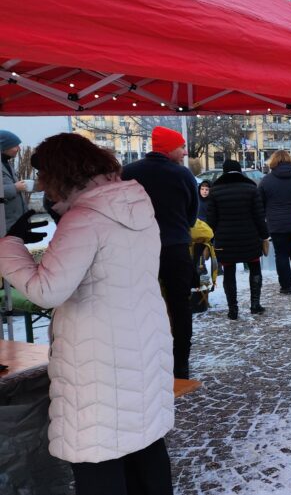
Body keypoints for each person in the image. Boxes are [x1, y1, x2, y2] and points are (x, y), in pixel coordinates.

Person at [0, 133, 174, 495]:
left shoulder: (84, 219)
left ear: (59, 173)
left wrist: (9, 245)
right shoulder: (133, 203)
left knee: (98, 453)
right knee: (143, 440)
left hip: (97, 354)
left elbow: (47, 290)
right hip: (141, 339)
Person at [122, 126, 198, 379]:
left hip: (136, 247)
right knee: (180, 305)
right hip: (175, 246)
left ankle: (143, 359)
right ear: (169, 148)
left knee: (138, 304)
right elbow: (191, 212)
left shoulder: (129, 173)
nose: (185, 152)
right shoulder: (182, 174)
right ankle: (181, 363)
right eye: (181, 147)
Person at [207, 159, 269, 319]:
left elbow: (211, 219)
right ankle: (255, 305)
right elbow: (259, 215)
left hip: (225, 239)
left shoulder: (215, 191)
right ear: (240, 171)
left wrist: (209, 239)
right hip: (250, 237)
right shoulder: (250, 188)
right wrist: (264, 235)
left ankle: (232, 309)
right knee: (255, 267)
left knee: (228, 271)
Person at [259, 150, 291, 294]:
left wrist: (264, 222)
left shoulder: (266, 181)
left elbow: (260, 203)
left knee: (281, 254)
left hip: (276, 224)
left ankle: (285, 286)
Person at [0, 130, 28, 232]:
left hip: (14, 223)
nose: (18, 149)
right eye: (15, 145)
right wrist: (15, 188)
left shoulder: (6, 163)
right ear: (3, 147)